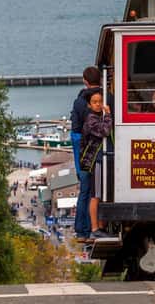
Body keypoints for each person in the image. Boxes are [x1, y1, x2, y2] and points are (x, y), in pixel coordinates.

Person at [70, 66, 102, 241]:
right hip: (99, 148)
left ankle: (81, 230)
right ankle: (93, 228)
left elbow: (75, 129)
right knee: (96, 191)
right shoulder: (105, 98)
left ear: (85, 81)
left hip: (82, 148)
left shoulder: (79, 101)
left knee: (85, 189)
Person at [80, 89, 114, 240]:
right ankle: (95, 228)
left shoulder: (97, 117)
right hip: (97, 160)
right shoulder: (91, 119)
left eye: (100, 101)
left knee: (103, 194)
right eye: (94, 102)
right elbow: (104, 131)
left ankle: (101, 227)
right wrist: (108, 115)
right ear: (89, 104)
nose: (98, 104)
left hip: (103, 159)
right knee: (96, 195)